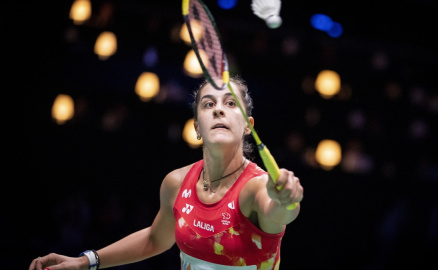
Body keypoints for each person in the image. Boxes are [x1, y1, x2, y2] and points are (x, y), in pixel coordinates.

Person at [29, 75, 304, 270]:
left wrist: (286, 199)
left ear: (247, 125)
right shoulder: (177, 183)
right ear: (197, 126)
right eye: (209, 104)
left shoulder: (256, 188)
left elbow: (281, 214)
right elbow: (154, 239)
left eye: (231, 104)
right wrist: (85, 261)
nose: (219, 109)